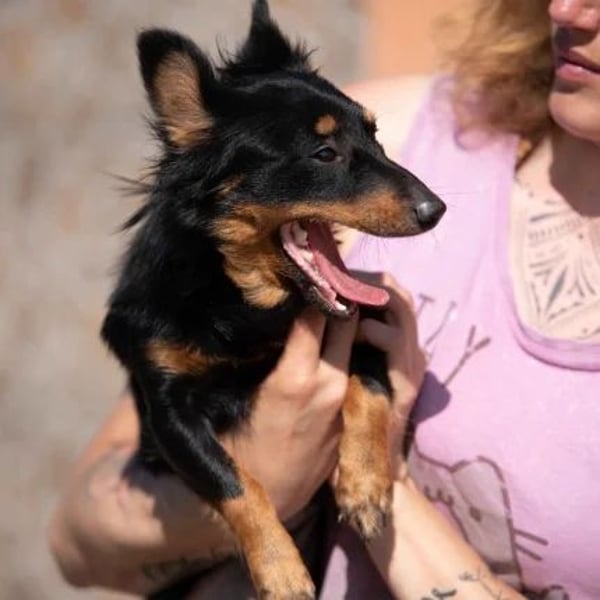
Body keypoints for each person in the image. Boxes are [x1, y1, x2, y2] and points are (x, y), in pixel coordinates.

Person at [49, 0, 600, 598]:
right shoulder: (396, 123)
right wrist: (260, 498)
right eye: (330, 153)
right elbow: (75, 546)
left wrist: (378, 468)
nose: (569, 8)